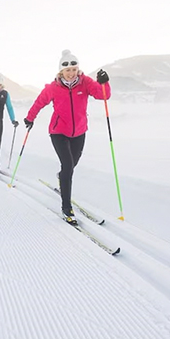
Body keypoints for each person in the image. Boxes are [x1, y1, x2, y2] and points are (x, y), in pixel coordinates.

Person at [24, 50, 110, 225]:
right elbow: (39, 102)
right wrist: (29, 118)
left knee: (72, 164)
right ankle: (66, 207)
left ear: (78, 69)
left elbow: (103, 95)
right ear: (60, 71)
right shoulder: (53, 88)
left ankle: (62, 176)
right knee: (68, 165)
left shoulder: (85, 83)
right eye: (67, 70)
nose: (71, 73)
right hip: (58, 132)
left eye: (74, 69)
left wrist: (104, 82)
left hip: (79, 131)